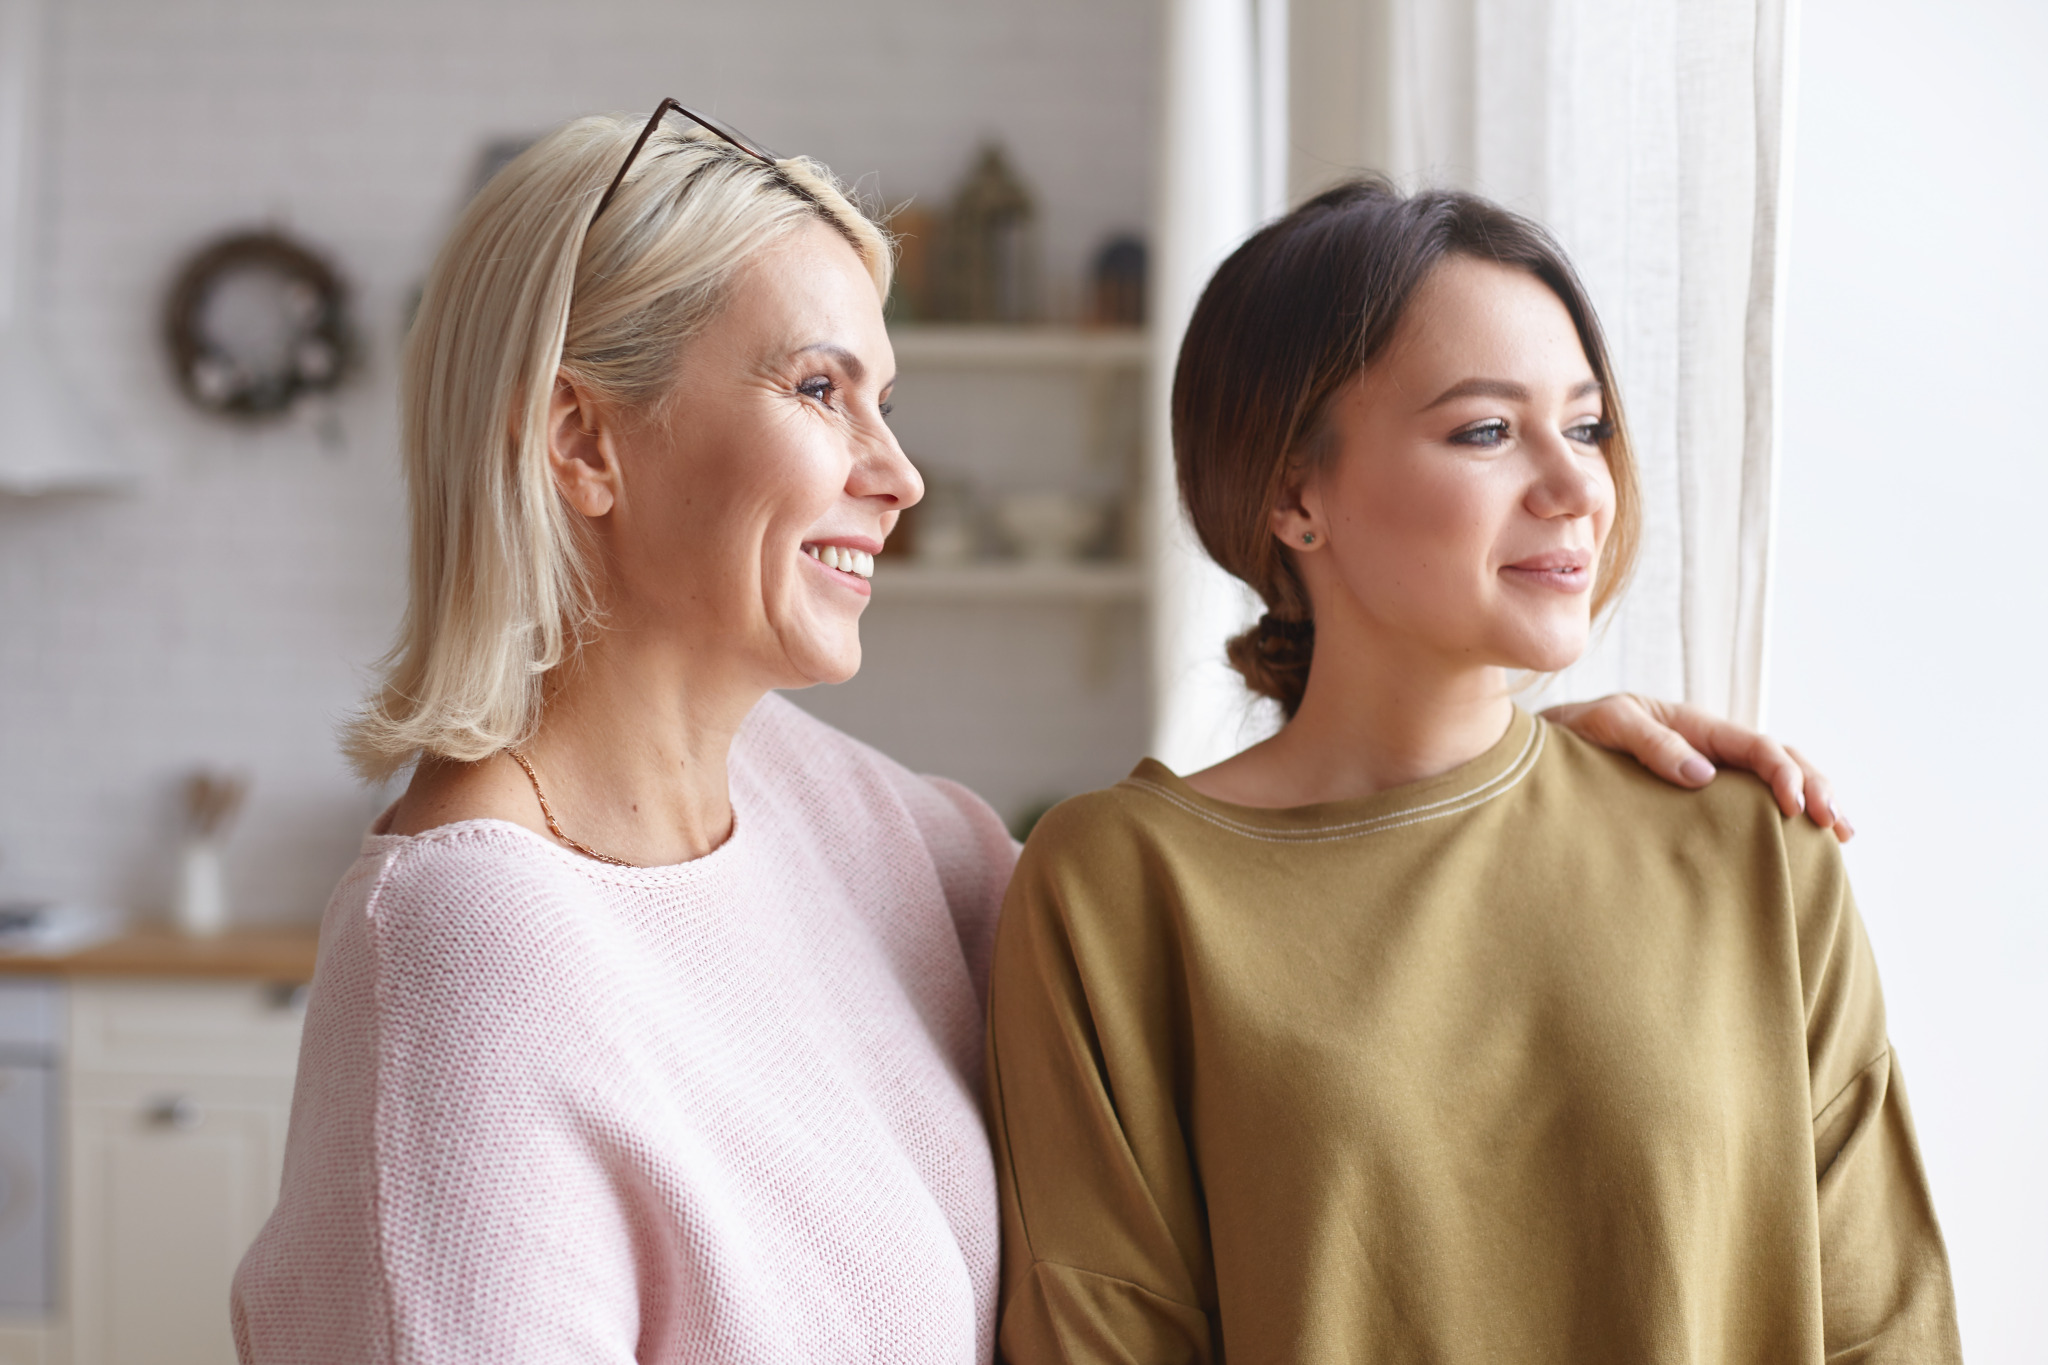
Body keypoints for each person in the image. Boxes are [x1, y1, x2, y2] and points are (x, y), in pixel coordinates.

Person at [229, 108, 1852, 1364]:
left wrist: (1519, 769)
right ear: (581, 439)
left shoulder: (875, 836)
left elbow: (1270, 987)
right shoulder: (470, 944)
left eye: (885, 396)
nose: (896, 471)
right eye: (817, 388)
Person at [985, 179, 1959, 1364]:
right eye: (1485, 431)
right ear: (1293, 493)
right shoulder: (1119, 887)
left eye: (1586, 426)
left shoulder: (1750, 843)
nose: (1574, 487)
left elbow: (1884, 1328)